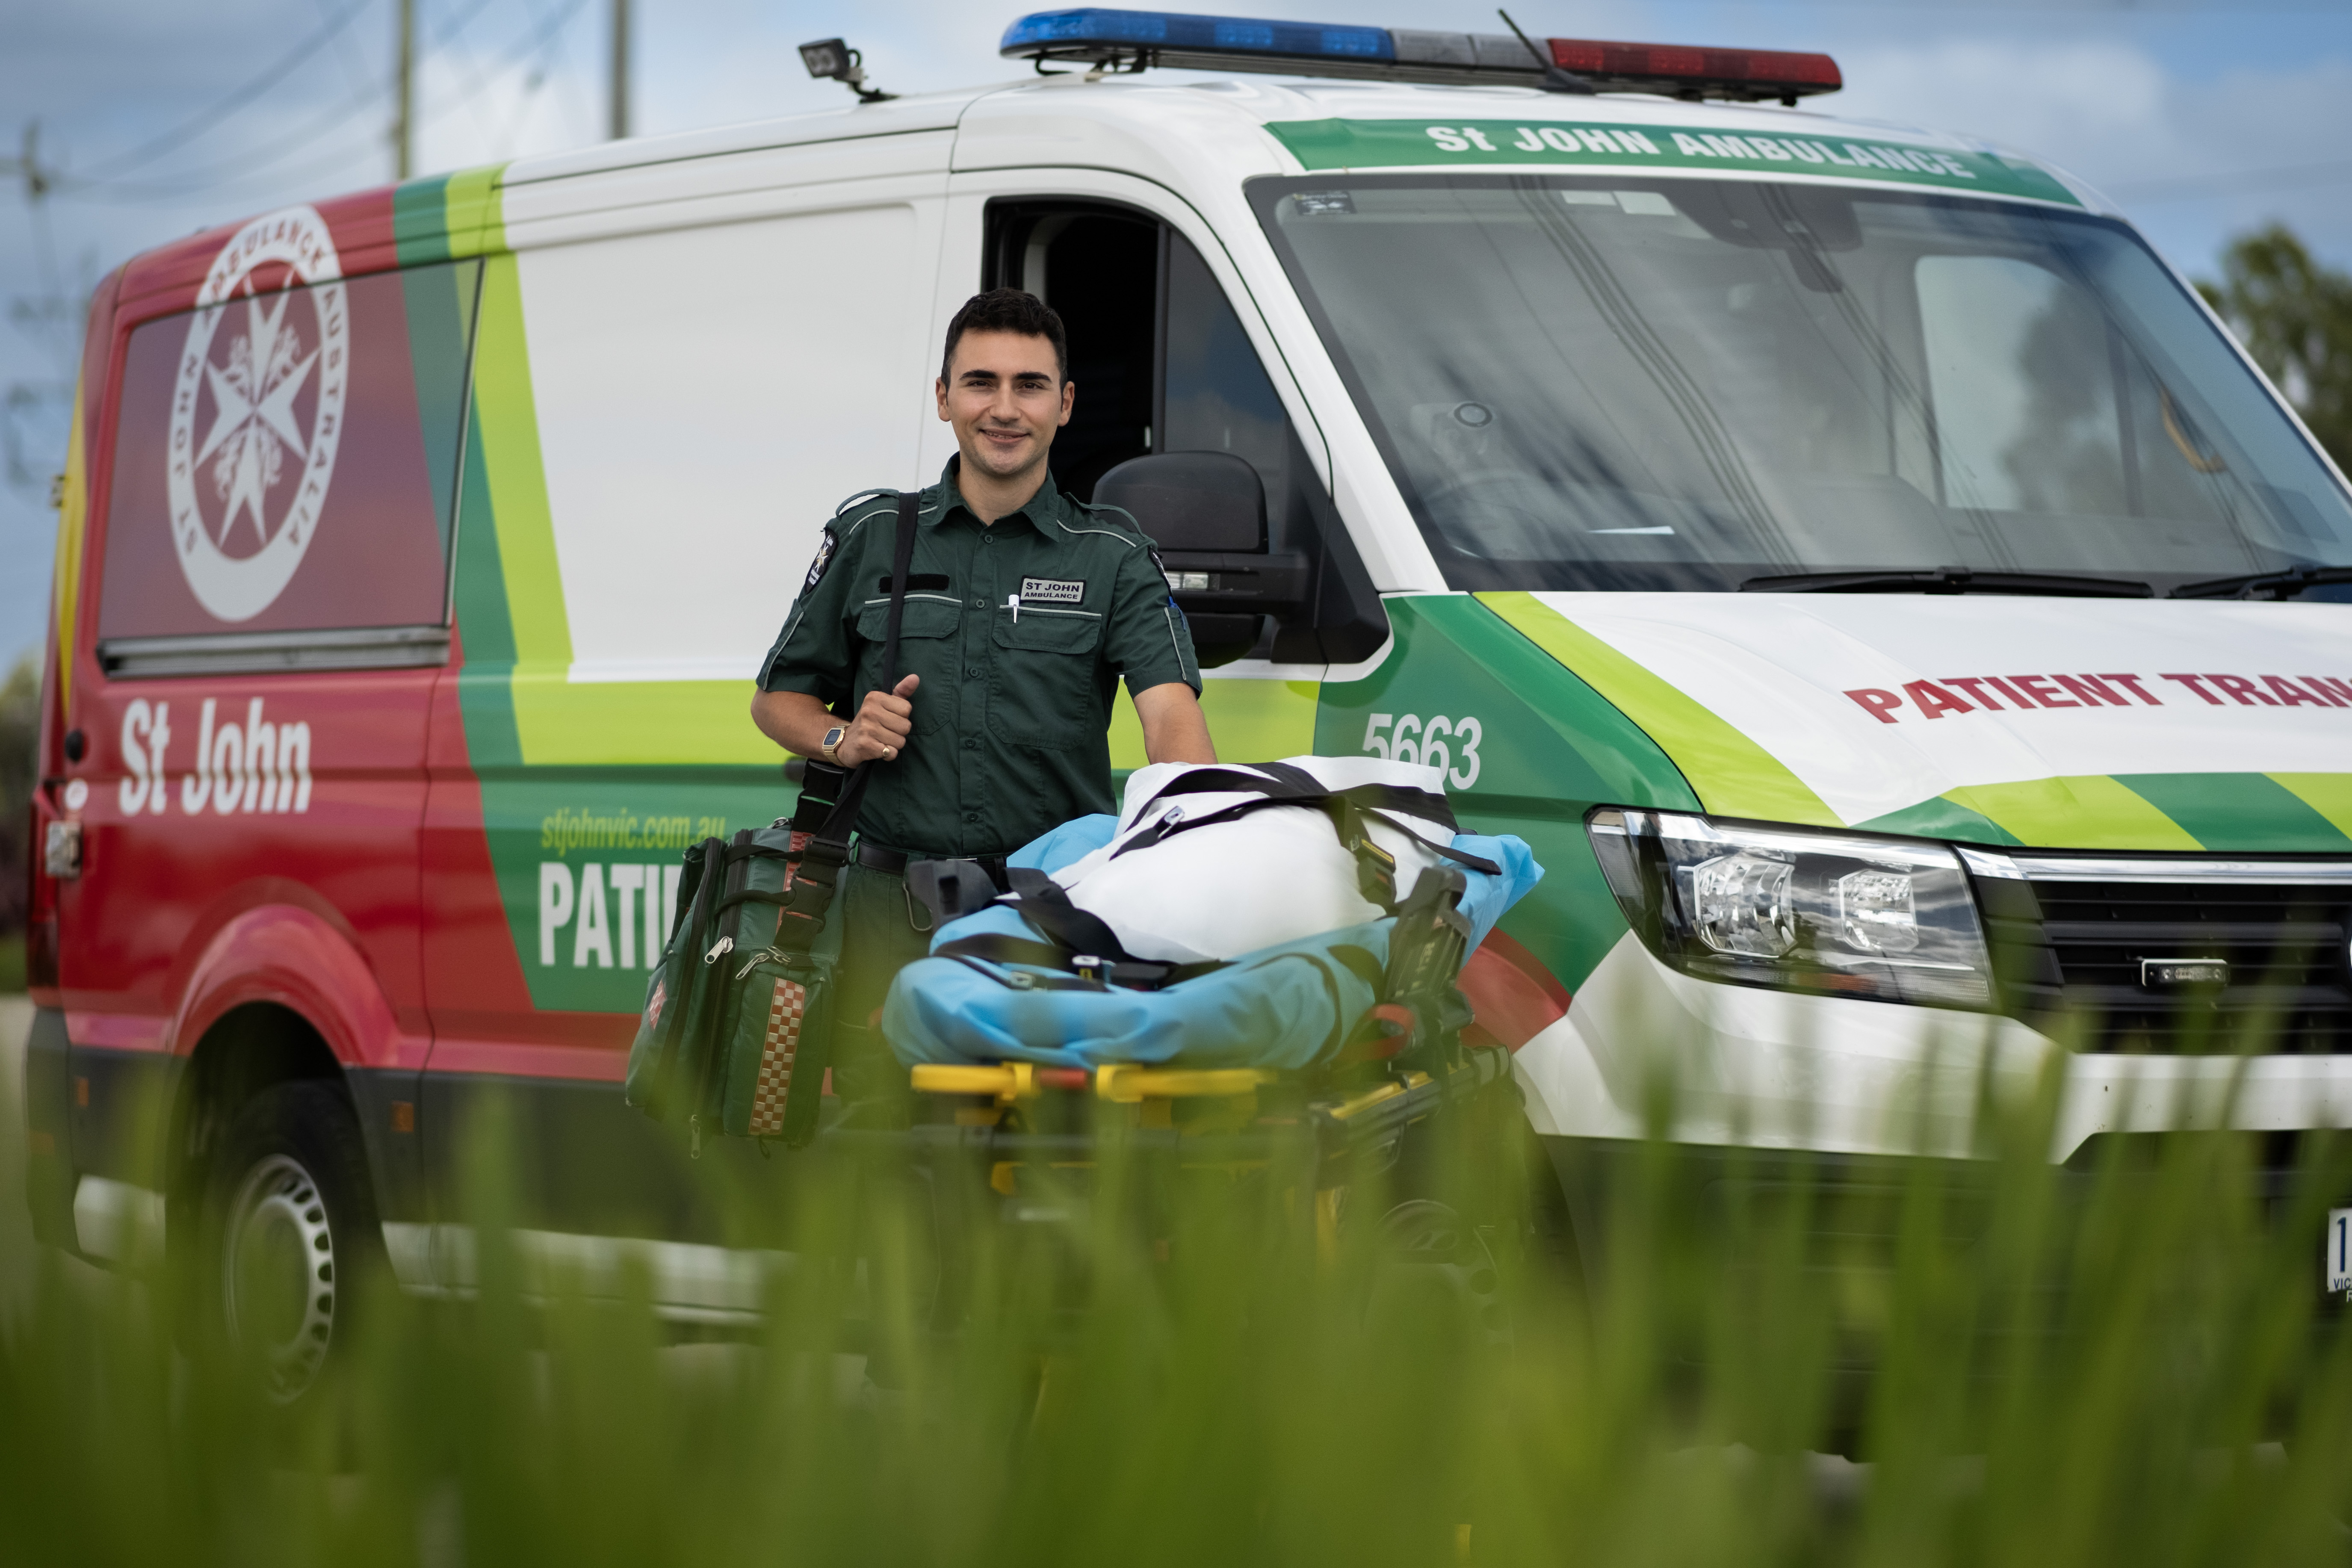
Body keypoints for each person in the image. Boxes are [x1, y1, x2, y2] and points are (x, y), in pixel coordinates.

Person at [750, 287, 1218, 1107]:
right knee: (883, 1156)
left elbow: (1172, 720)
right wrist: (841, 740)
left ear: (1065, 404)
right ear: (944, 398)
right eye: (981, 383)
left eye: (1030, 385)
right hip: (887, 922)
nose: (1005, 409)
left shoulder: (1111, 554)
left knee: (1044, 1161)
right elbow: (778, 700)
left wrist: (1202, 846)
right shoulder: (871, 534)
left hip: (1051, 921)